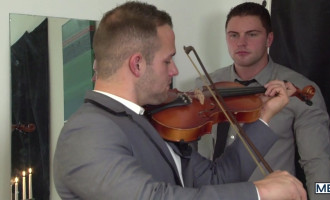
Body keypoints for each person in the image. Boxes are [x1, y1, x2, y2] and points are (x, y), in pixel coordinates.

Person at [53, 1, 306, 199]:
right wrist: (259, 192)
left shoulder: (153, 120)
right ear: (137, 64)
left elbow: (216, 179)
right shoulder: (86, 131)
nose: (174, 71)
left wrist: (264, 116)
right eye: (167, 60)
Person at [195, 2, 330, 200]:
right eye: (233, 35)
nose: (241, 43)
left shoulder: (298, 90)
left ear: (269, 39)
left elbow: (319, 164)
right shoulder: (205, 86)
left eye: (252, 34)